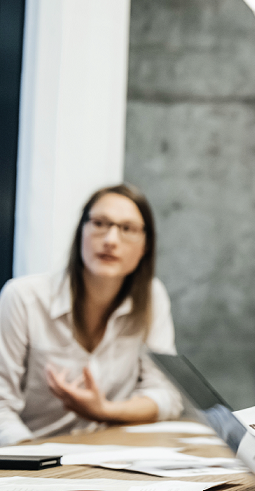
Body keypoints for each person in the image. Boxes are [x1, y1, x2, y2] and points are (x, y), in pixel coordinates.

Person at [0, 184, 182, 446]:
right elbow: (1, 406)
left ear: (145, 246)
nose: (110, 240)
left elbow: (166, 395)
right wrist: (36, 460)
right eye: (99, 223)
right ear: (80, 232)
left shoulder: (152, 296)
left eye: (127, 229)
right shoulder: (23, 297)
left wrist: (104, 411)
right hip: (35, 454)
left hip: (111, 455)